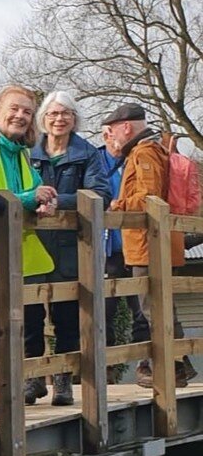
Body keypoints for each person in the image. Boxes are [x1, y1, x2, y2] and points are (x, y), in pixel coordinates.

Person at [0, 85, 56, 407]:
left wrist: (45, 202)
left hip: (25, 251)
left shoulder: (21, 152)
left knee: (33, 319)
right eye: (14, 109)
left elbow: (34, 190)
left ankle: (30, 379)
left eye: (26, 111)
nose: (20, 116)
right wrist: (28, 199)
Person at [104, 103, 195, 388]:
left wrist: (116, 205)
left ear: (126, 127)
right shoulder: (152, 149)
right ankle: (179, 366)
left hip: (148, 245)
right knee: (159, 306)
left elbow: (149, 198)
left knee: (154, 307)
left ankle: (173, 368)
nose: (110, 137)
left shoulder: (144, 153)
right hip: (151, 244)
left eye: (111, 131)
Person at [29, 92, 111, 405]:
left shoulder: (87, 154)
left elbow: (99, 194)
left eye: (65, 114)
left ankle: (63, 381)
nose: (59, 119)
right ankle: (32, 377)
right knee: (29, 315)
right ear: (43, 120)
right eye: (52, 114)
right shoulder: (29, 153)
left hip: (69, 247)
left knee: (66, 317)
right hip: (34, 243)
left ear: (74, 119)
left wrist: (57, 202)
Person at [100, 123, 149, 371]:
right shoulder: (97, 161)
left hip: (135, 244)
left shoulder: (138, 159)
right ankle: (105, 368)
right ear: (105, 136)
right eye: (111, 135)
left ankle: (146, 364)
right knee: (104, 310)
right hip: (107, 248)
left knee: (141, 308)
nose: (116, 141)